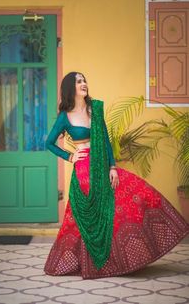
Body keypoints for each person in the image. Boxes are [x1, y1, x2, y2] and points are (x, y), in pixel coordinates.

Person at [44, 71, 189, 279]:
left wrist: (112, 167)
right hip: (84, 170)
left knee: (138, 197)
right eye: (78, 82)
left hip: (102, 164)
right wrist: (69, 156)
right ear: (70, 88)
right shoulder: (64, 116)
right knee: (95, 215)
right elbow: (48, 143)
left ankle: (128, 257)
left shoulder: (96, 109)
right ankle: (99, 262)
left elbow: (104, 139)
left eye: (84, 80)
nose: (84, 83)